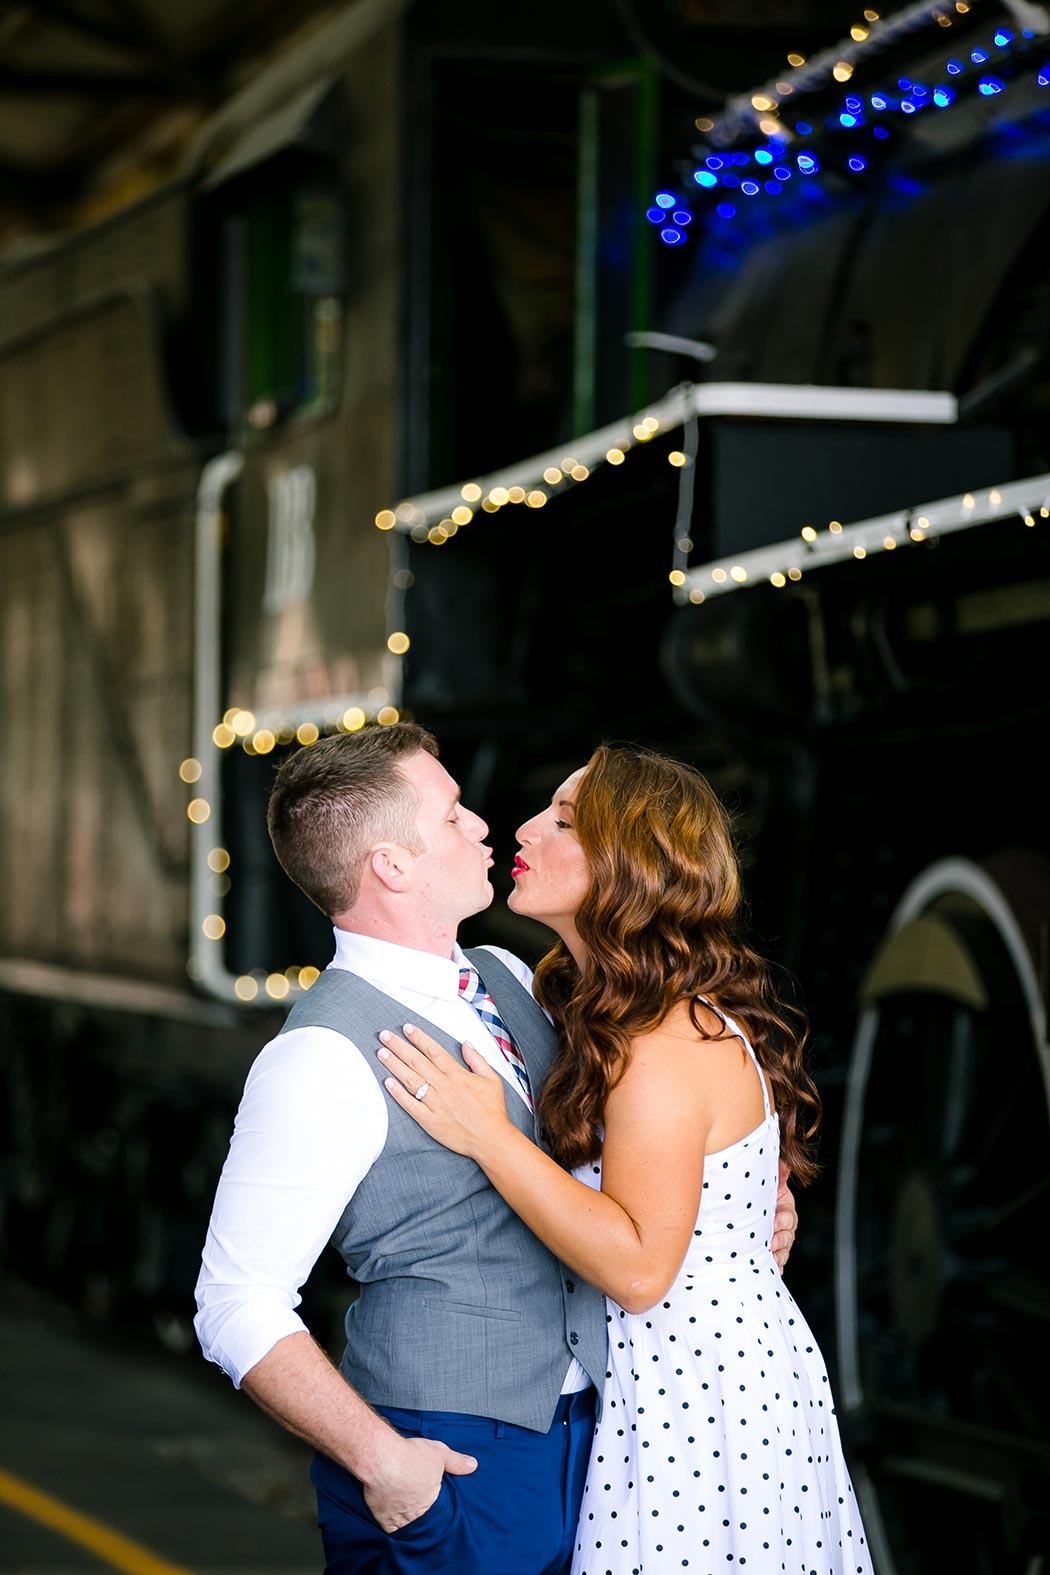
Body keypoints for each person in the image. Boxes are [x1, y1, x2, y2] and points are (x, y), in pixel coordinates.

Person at [193, 723, 799, 1575]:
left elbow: (643, 1132)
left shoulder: (514, 979)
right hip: (448, 1455)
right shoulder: (319, 1055)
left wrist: (735, 1204)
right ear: (392, 866)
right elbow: (234, 1298)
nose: (487, 824)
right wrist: (385, 1461)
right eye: (451, 817)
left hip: (596, 1445)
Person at [375, 743, 874, 1575]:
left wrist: (488, 1132)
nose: (526, 827)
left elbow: (643, 1268)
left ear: (633, 866)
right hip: (687, 1381)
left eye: (567, 820)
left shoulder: (663, 1039)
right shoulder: (614, 1015)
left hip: (701, 1399)